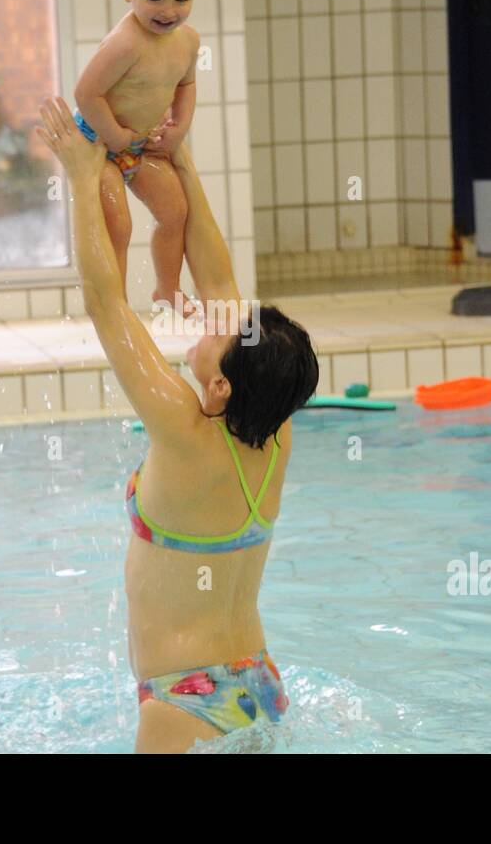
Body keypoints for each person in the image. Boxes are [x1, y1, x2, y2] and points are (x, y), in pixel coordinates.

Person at [35, 96, 320, 753]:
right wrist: (180, 161)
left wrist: (82, 182)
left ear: (219, 385)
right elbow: (218, 277)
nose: (215, 319)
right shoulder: (274, 427)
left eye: (222, 334)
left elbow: (107, 305)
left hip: (183, 699)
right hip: (258, 683)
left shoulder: (180, 428)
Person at [72, 0, 203, 317]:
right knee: (118, 225)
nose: (168, 11)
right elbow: (85, 94)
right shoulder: (125, 43)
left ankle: (167, 288)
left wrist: (179, 127)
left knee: (175, 211)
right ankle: (115, 304)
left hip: (137, 145)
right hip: (97, 144)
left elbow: (187, 84)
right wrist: (113, 135)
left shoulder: (188, 41)